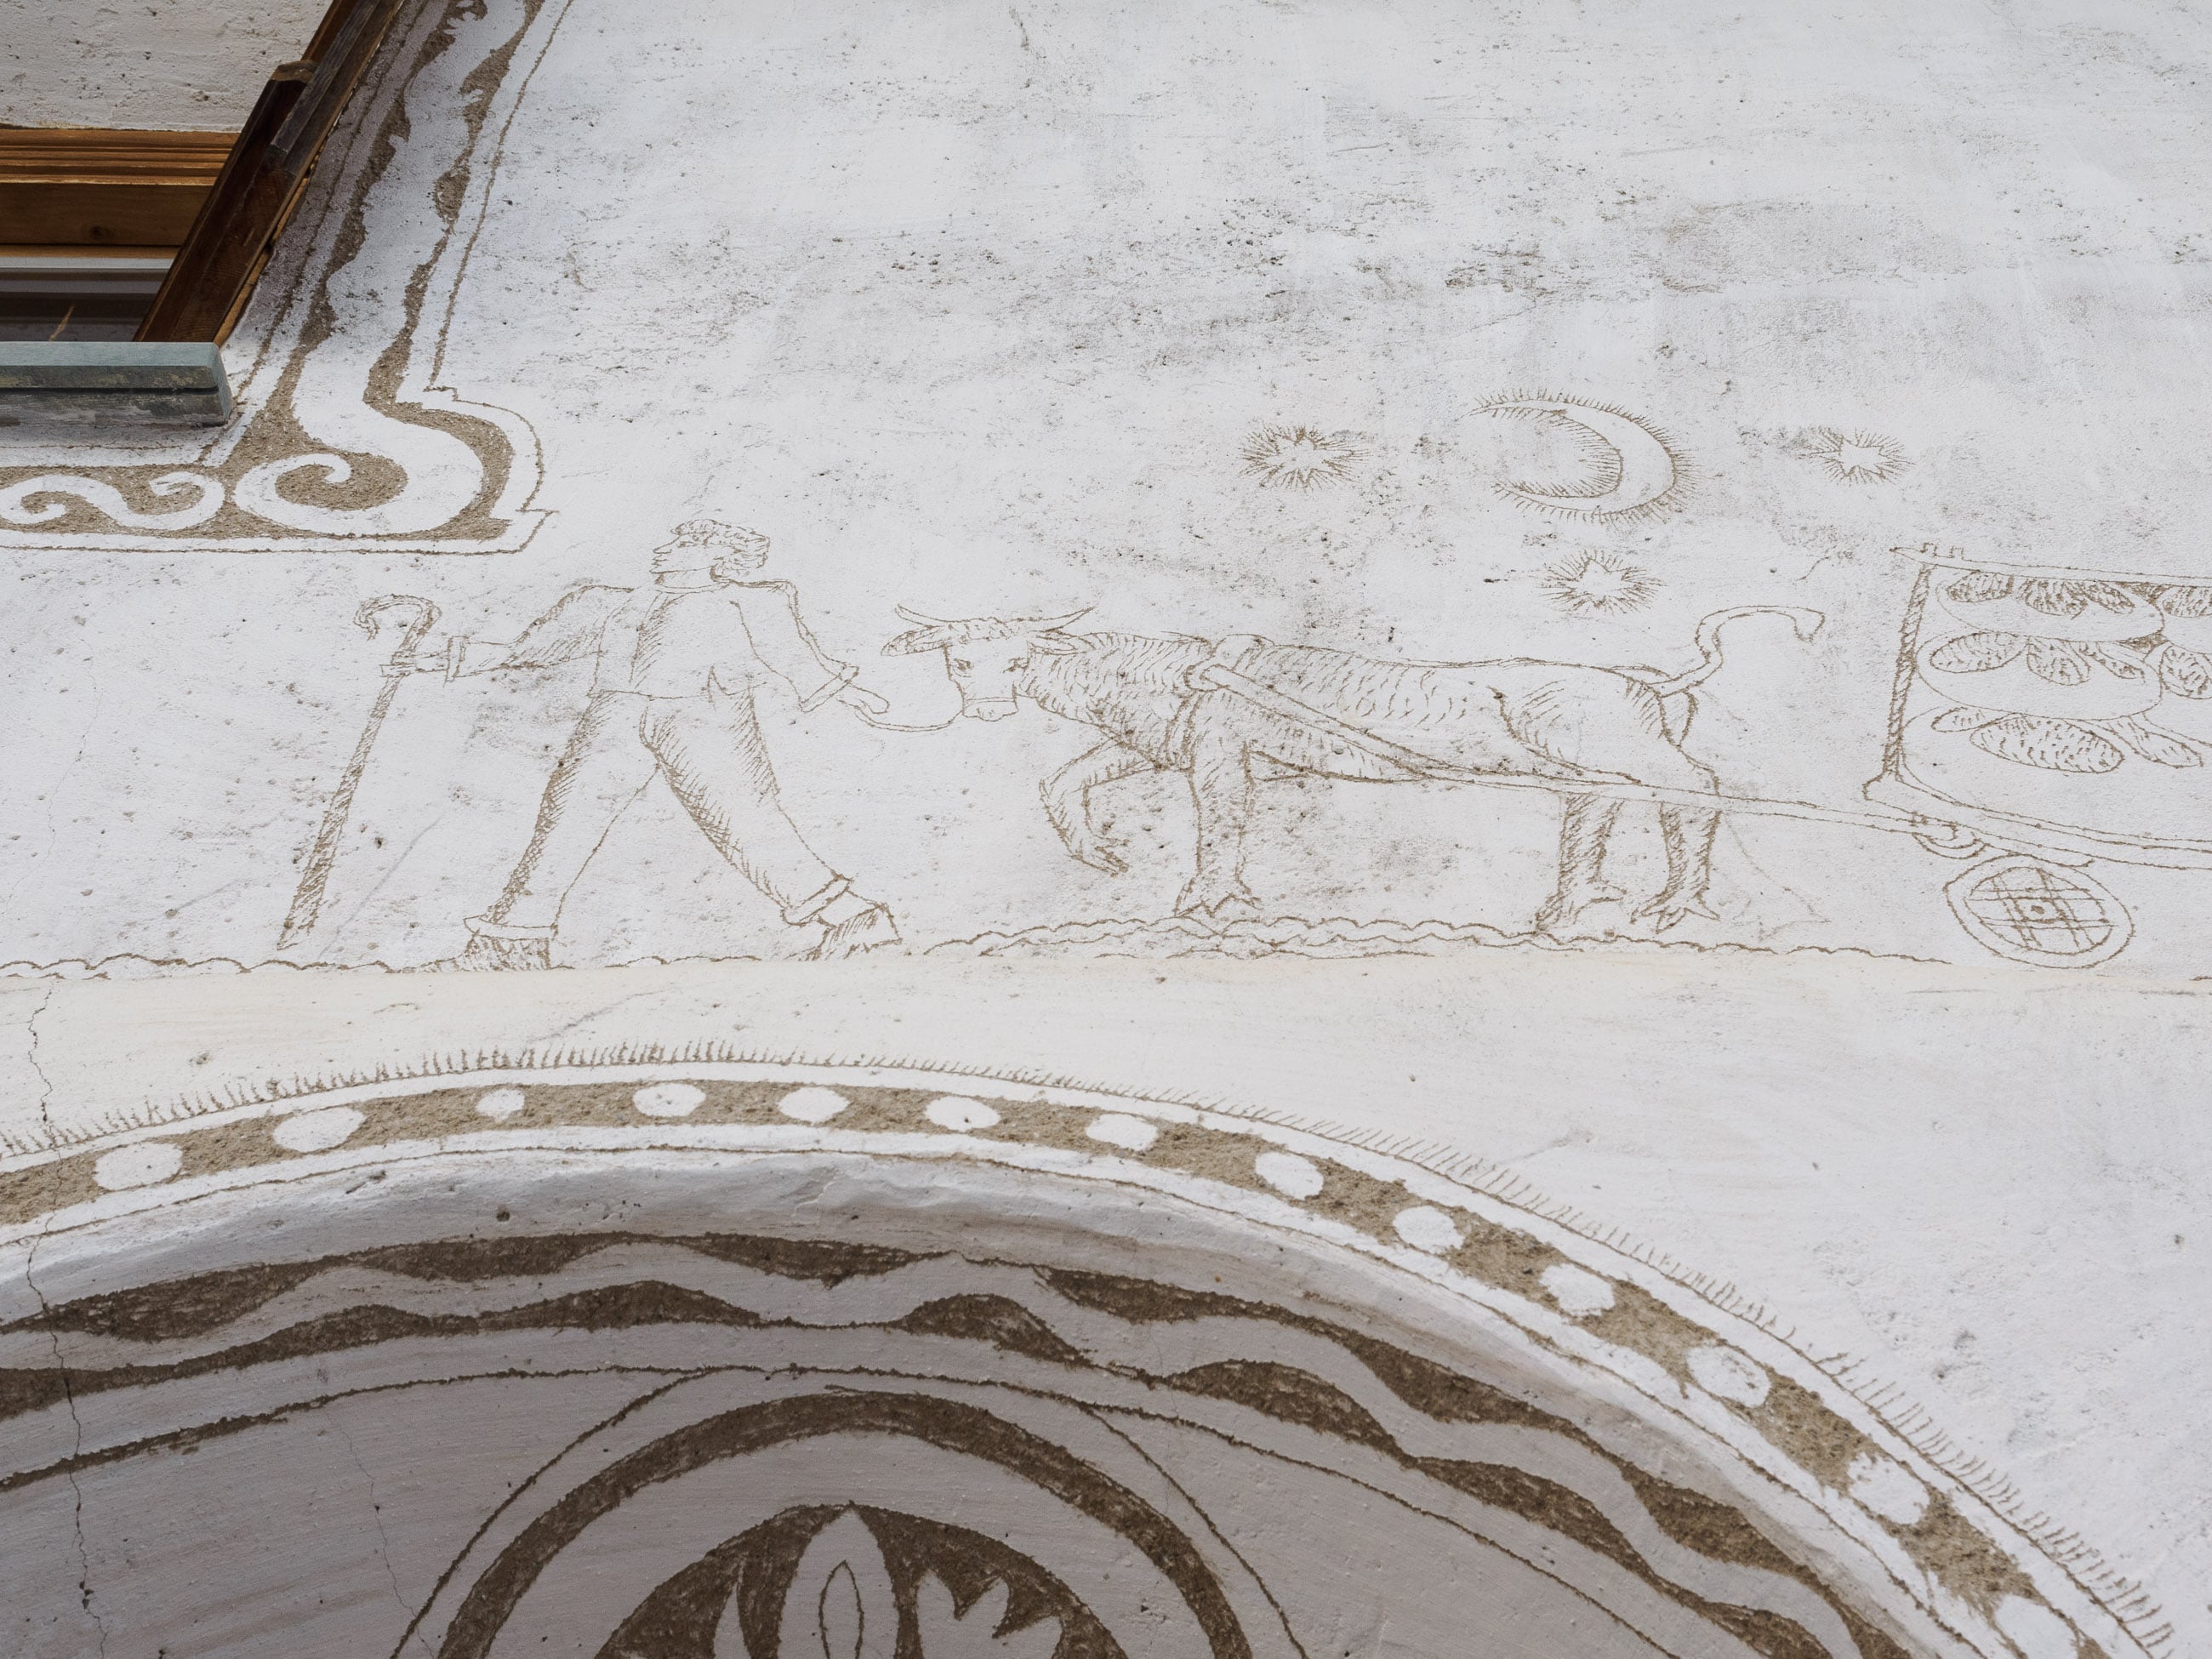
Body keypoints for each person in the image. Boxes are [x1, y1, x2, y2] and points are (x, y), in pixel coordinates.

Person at [417, 520, 899, 967]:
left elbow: (792, 655)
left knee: (743, 822)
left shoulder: (752, 600)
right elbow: (534, 648)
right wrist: (442, 659)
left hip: (703, 715)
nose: (664, 549)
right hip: (613, 714)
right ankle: (509, 944)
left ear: (719, 556)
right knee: (564, 821)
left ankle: (857, 920)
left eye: (684, 544)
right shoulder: (605, 600)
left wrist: (847, 692)